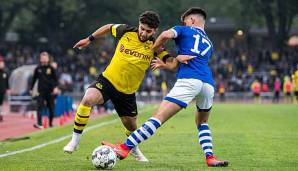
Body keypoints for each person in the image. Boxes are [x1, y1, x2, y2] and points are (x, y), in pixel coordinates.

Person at [102, 7, 229, 167]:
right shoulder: (209, 43)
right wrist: (169, 63)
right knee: (202, 123)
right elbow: (182, 63)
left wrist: (153, 49)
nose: (183, 23)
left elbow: (164, 35)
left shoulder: (183, 29)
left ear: (191, 20)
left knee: (158, 117)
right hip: (208, 84)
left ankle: (124, 148)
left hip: (189, 80)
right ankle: (210, 157)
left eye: (185, 21)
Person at [63, 11, 176, 162]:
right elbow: (108, 27)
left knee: (131, 126)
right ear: (139, 24)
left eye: (148, 31)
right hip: (108, 81)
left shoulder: (156, 46)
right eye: (142, 28)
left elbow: (172, 64)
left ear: (155, 31)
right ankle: (75, 141)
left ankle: (134, 148)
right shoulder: (126, 31)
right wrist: (89, 39)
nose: (143, 33)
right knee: (88, 99)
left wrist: (165, 65)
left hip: (127, 93)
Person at [30, 52, 59, 128]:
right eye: (42, 58)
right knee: (39, 107)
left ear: (48, 59)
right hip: (41, 91)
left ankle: (50, 123)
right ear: (40, 59)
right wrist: (31, 88)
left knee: (51, 108)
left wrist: (56, 87)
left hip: (50, 91)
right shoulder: (38, 68)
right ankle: (39, 124)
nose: (44, 59)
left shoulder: (51, 68)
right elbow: (34, 79)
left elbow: (56, 79)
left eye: (45, 57)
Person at [0, 57, 10, 122]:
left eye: (2, 63)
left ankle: (0, 115)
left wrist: (8, 89)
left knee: (1, 104)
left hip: (2, 91)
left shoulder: (5, 73)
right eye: (1, 63)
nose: (2, 64)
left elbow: (7, 82)